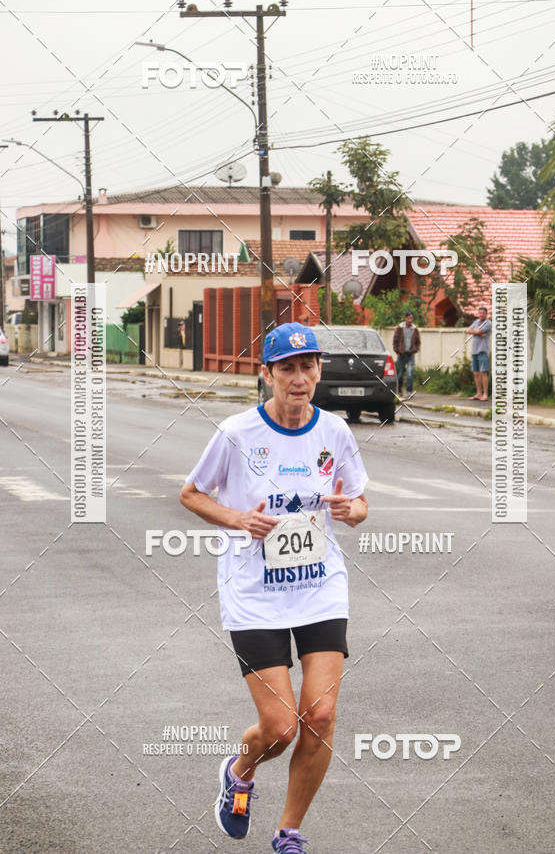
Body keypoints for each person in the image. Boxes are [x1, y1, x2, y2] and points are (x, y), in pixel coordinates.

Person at [179, 322, 369, 854]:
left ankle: (288, 832)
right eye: (287, 368)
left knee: (322, 714)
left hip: (319, 586)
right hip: (253, 593)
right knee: (282, 727)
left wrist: (348, 510)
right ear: (267, 375)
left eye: (308, 366)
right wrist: (239, 519)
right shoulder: (237, 435)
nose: (299, 378)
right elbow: (191, 494)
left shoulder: (335, 432)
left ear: (318, 370)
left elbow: (358, 504)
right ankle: (240, 772)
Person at [392, 310, 421, 397]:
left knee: (409, 373)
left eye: (411, 318)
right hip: (401, 354)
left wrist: (415, 350)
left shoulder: (414, 329)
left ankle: (409, 391)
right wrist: (397, 351)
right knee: (400, 374)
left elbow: (418, 342)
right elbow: (395, 341)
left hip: (410, 354)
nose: (410, 320)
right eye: (408, 318)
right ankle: (399, 390)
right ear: (405, 318)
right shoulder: (400, 328)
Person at [466, 305, 492, 401]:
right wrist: (476, 332)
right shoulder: (476, 322)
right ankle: (478, 393)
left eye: (483, 313)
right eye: (480, 313)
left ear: (486, 314)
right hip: (475, 350)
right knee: (476, 373)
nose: (481, 314)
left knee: (483, 372)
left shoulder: (488, 323)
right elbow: (467, 330)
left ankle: (485, 394)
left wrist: (477, 331)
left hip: (483, 350)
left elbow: (479, 331)